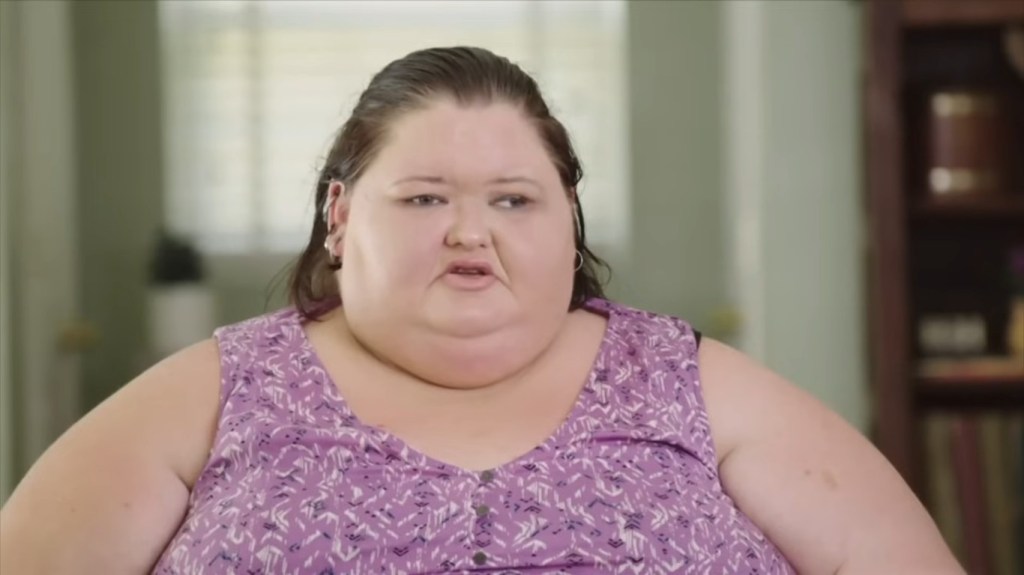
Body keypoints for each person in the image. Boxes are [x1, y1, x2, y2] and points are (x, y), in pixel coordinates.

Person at [0, 46, 962, 575]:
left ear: (567, 219)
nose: (471, 232)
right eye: (425, 197)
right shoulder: (218, 392)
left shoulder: (693, 385)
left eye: (513, 199)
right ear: (341, 216)